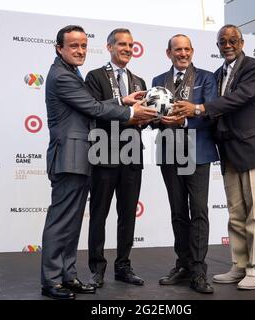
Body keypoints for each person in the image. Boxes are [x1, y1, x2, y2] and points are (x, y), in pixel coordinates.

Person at [41, 25, 156, 300]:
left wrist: (123, 100)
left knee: (71, 225)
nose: (80, 51)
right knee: (60, 223)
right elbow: (92, 108)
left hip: (81, 158)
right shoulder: (62, 76)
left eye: (83, 45)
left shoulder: (71, 72)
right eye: (73, 46)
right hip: (69, 158)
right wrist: (129, 109)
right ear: (59, 49)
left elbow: (91, 107)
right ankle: (51, 281)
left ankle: (67, 276)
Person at [173, 25, 255, 290]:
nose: (228, 45)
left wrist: (198, 108)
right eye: (223, 41)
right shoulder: (218, 74)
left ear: (242, 42)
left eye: (233, 40)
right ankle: (240, 266)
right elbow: (217, 111)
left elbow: (238, 99)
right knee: (236, 213)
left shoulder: (253, 67)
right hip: (229, 151)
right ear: (218, 45)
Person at [152, 34, 218, 294]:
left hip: (197, 152)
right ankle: (183, 265)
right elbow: (153, 115)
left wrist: (185, 121)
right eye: (177, 49)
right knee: (178, 212)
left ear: (192, 51)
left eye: (187, 49)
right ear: (168, 53)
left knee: (198, 211)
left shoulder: (206, 77)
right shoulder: (158, 81)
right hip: (170, 152)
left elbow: (212, 111)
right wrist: (160, 120)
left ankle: (199, 271)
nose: (183, 53)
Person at [85, 28, 146, 288]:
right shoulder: (95, 76)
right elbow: (94, 111)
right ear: (109, 47)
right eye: (122, 44)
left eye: (131, 45)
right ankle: (97, 268)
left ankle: (123, 266)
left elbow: (141, 118)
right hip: (103, 153)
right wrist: (124, 104)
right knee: (99, 214)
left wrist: (152, 118)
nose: (127, 48)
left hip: (132, 154)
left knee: (127, 215)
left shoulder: (140, 81)